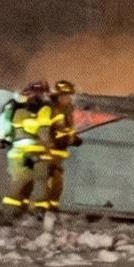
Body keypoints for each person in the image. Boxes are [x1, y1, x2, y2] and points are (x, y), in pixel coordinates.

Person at [0, 81, 60, 214]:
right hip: (36, 154)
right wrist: (52, 142)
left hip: (16, 155)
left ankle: (11, 212)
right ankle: (39, 211)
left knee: (18, 185)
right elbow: (44, 135)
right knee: (40, 182)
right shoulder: (44, 110)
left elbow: (2, 134)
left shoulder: (16, 110)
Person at [42, 80, 82, 212]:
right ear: (58, 96)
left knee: (57, 183)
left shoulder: (67, 110)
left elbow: (67, 130)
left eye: (69, 95)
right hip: (50, 152)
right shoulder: (55, 110)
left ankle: (51, 208)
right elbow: (59, 131)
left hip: (58, 153)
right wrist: (69, 139)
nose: (68, 98)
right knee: (53, 181)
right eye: (65, 96)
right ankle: (46, 209)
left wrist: (73, 138)